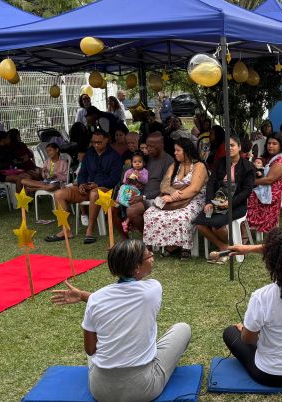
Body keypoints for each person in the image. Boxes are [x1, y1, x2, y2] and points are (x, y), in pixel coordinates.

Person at [51, 239, 191, 402]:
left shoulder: (96, 299)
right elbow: (125, 299)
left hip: (100, 390)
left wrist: (83, 296)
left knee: (100, 347)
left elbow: (90, 350)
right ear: (137, 266)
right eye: (149, 255)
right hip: (143, 390)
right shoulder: (153, 289)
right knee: (183, 328)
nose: (152, 257)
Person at [216, 228, 282, 387]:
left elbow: (248, 339)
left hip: (270, 375)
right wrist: (248, 248)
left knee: (230, 332)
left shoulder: (262, 297)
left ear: (269, 261)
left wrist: (247, 329)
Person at [45, 130, 123, 244]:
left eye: (99, 142)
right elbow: (82, 173)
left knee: (95, 193)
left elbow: (114, 179)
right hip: (87, 187)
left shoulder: (115, 156)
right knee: (59, 194)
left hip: (105, 189)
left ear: (106, 140)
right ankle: (66, 230)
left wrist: (98, 185)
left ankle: (89, 230)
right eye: (94, 142)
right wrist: (81, 183)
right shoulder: (89, 154)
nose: (96, 145)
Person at [143, 138, 208, 259]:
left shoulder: (199, 166)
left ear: (187, 151)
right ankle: (163, 244)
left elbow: (194, 189)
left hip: (194, 199)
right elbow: (163, 185)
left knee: (182, 216)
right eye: (174, 150)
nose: (175, 153)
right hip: (172, 197)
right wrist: (172, 192)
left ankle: (183, 246)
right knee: (150, 214)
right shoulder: (175, 165)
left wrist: (172, 198)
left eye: (178, 150)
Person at [194, 135, 255, 261]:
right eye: (227, 146)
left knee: (216, 226)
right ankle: (223, 246)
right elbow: (211, 183)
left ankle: (231, 247)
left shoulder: (248, 166)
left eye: (232, 145)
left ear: (239, 147)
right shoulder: (220, 162)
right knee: (200, 224)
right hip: (218, 200)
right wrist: (208, 202)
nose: (229, 148)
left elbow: (247, 191)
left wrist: (230, 203)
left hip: (237, 203)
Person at [122, 132, 175, 237]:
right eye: (147, 146)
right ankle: (148, 236)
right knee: (121, 202)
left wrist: (143, 197)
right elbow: (145, 178)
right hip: (143, 194)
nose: (148, 149)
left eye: (151, 146)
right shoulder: (149, 158)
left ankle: (148, 238)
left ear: (161, 145)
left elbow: (166, 188)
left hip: (158, 198)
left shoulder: (169, 161)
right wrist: (136, 183)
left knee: (131, 211)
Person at [246, 134, 282, 234]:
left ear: (281, 145)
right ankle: (243, 230)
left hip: (272, 194)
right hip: (267, 188)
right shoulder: (274, 158)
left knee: (244, 195)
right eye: (269, 143)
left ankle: (244, 229)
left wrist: (250, 182)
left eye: (274, 144)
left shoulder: (281, 160)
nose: (270, 146)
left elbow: (269, 180)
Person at [116, 151, 148, 221]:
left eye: (139, 162)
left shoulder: (145, 171)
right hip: (128, 190)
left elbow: (146, 181)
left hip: (138, 191)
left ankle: (129, 219)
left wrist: (139, 177)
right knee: (122, 188)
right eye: (135, 162)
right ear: (132, 163)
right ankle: (119, 202)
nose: (137, 163)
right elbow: (124, 182)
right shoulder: (129, 171)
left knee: (132, 204)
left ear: (144, 163)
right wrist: (127, 178)